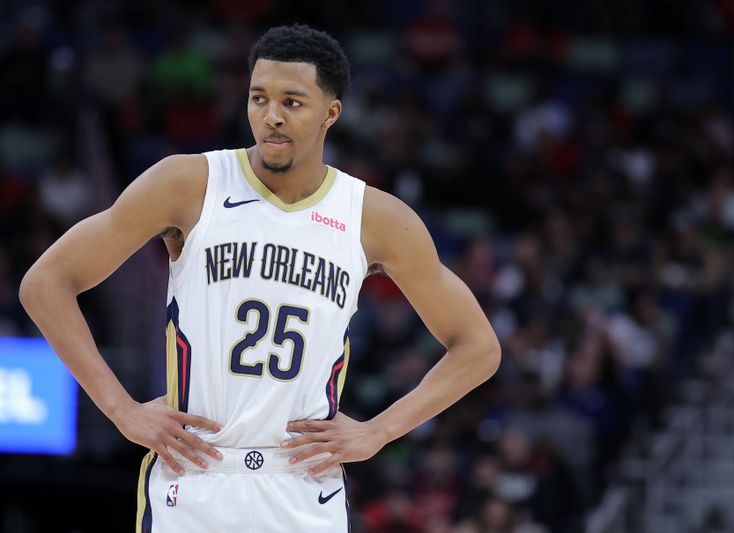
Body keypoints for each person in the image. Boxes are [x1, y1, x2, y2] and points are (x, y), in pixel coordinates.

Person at [18, 24, 500, 532]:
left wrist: (379, 431)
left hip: (302, 484)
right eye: (258, 98)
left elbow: (478, 346)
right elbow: (45, 283)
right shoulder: (188, 183)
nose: (271, 117)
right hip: (195, 473)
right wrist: (120, 409)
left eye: (293, 102)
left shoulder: (376, 218)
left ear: (330, 113)